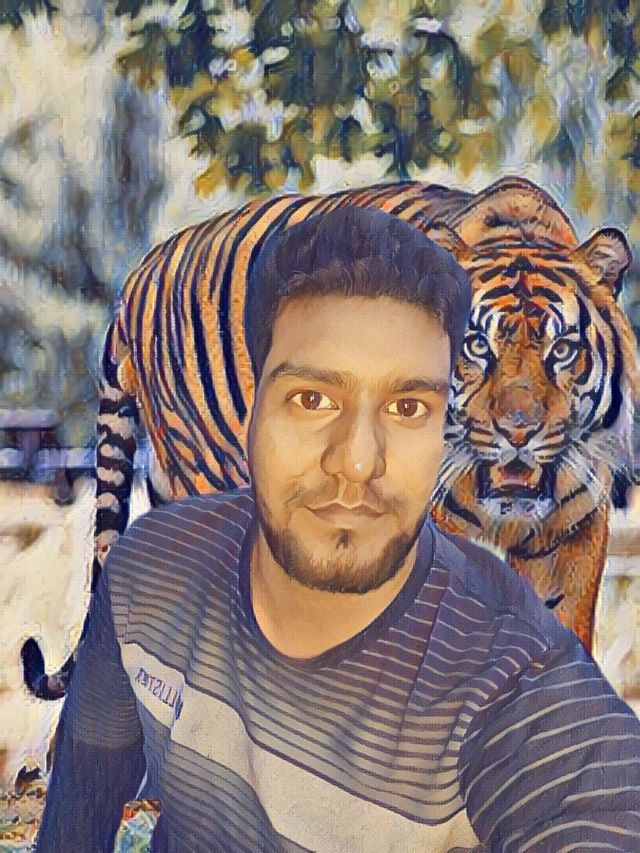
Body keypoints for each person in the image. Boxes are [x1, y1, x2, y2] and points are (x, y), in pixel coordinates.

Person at [36, 206, 640, 853]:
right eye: (312, 400)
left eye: (405, 406)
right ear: (248, 409)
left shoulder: (523, 663)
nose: (356, 459)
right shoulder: (147, 575)